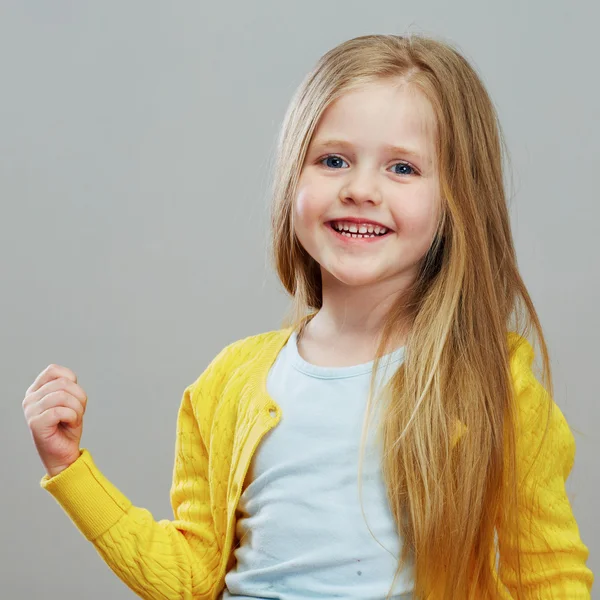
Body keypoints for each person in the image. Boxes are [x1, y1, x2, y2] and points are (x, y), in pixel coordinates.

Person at [22, 34, 593, 600]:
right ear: (294, 176)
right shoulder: (228, 383)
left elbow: (549, 580)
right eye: (333, 160)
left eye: (402, 168)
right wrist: (71, 468)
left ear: (457, 200)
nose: (361, 189)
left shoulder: (495, 384)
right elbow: (190, 579)